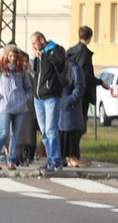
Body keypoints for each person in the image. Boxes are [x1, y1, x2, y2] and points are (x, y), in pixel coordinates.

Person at [0, 45, 33, 171]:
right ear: (5, 56)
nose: (12, 59)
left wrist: (25, 98)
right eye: (10, 56)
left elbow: (28, 88)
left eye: (15, 56)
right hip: (3, 107)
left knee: (16, 135)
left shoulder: (21, 71)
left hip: (20, 108)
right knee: (2, 133)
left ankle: (11, 160)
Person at [30, 31, 70, 171]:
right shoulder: (39, 55)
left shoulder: (55, 50)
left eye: (35, 43)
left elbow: (60, 63)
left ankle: (56, 161)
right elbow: (36, 74)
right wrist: (36, 59)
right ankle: (50, 160)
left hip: (51, 96)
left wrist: (45, 55)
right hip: (38, 97)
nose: (34, 46)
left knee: (51, 130)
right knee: (44, 131)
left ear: (42, 40)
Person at [66, 25, 96, 129]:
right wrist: (100, 82)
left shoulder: (70, 51)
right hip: (82, 91)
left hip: (69, 89)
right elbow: (86, 75)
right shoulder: (85, 54)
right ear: (90, 38)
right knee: (81, 121)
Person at [60, 58, 88, 167]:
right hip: (59, 106)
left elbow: (79, 86)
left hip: (70, 106)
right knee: (61, 133)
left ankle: (73, 157)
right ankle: (62, 157)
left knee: (71, 132)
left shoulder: (74, 68)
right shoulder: (57, 67)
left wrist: (71, 99)